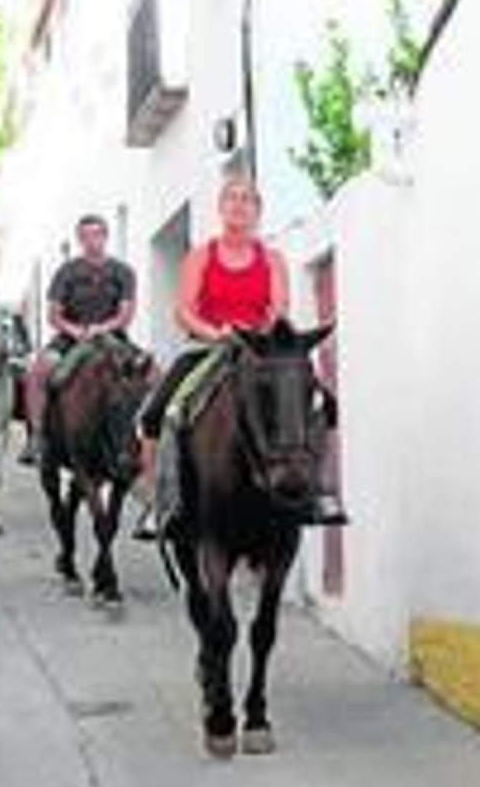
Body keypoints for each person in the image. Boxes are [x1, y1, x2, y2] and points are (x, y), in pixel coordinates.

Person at [132, 173, 347, 538]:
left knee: (324, 404)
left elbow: (278, 308)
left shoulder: (272, 258)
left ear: (258, 211)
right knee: (159, 412)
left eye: (247, 199)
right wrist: (217, 333)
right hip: (208, 346)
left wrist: (256, 336)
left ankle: (322, 491)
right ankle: (158, 500)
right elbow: (183, 310)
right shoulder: (202, 255)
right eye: (231, 198)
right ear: (220, 208)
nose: (239, 205)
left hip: (261, 350)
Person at [20, 214, 139, 463]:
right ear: (79, 239)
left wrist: (101, 329)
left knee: (150, 372)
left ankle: (145, 440)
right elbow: (54, 315)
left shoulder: (123, 272)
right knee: (37, 372)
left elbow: (125, 314)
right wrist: (76, 331)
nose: (91, 240)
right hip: (70, 337)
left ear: (105, 236)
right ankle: (37, 437)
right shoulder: (67, 272)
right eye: (85, 236)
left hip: (112, 337)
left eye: (96, 234)